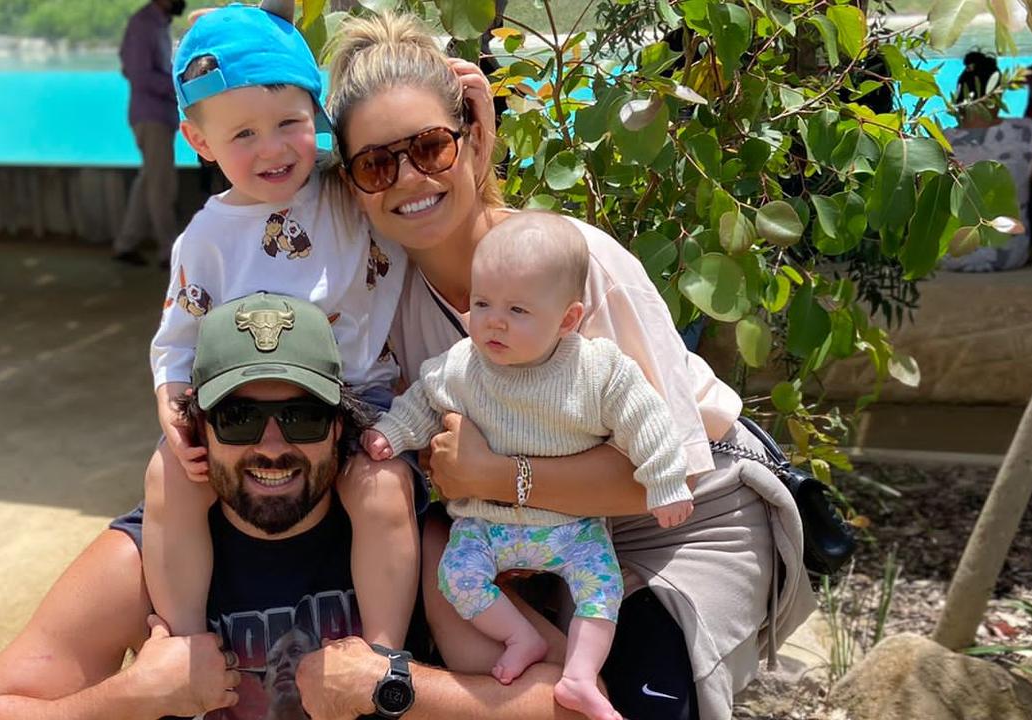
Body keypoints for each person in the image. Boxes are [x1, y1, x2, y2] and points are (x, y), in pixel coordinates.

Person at [324, 12, 815, 720]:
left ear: (470, 143)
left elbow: (665, 475)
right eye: (376, 164)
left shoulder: (573, 265)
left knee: (646, 704)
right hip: (539, 538)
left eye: (431, 146)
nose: (408, 177)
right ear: (352, 184)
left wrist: (496, 477)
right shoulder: (391, 309)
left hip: (683, 515)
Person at [0, 292, 599, 720]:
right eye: (237, 417)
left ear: (340, 426)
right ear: (195, 429)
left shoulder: (407, 546)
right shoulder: (143, 559)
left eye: (300, 415)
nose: (271, 445)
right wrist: (135, 695)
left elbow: (569, 705)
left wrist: (393, 685)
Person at [143, 1, 419, 653]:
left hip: (360, 400)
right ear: (199, 141)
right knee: (169, 480)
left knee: (383, 491)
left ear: (318, 117)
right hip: (247, 414)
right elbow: (176, 349)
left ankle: (383, 652)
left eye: (289, 123)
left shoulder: (348, 190)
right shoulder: (205, 240)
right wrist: (173, 416)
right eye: (242, 135)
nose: (271, 149)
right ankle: (184, 646)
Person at [362, 212, 692, 720]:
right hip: (487, 527)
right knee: (457, 577)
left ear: (567, 319)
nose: (494, 321)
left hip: (572, 527)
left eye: (517, 309)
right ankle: (519, 637)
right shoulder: (463, 365)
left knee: (601, 590)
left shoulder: (596, 370)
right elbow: (422, 402)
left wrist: (666, 480)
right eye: (482, 303)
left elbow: (646, 421)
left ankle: (580, 676)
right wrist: (390, 433)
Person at [941, 51, 1032, 272]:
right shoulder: (1024, 132)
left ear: (959, 99)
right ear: (998, 97)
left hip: (952, 255)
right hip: (1009, 255)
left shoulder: (943, 141)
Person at [113, 0, 186, 268]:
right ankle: (169, 251)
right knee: (161, 185)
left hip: (156, 115)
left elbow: (128, 66)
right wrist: (180, 85)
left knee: (149, 181)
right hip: (151, 116)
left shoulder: (156, 24)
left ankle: (126, 243)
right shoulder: (144, 24)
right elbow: (139, 75)